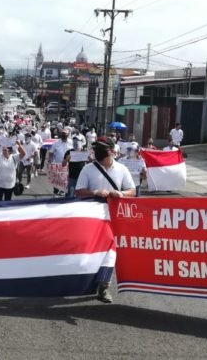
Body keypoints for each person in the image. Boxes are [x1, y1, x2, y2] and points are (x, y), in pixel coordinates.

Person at [75, 137, 136, 303]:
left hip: (114, 217)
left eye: (102, 152)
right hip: (92, 217)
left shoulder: (122, 169)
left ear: (111, 152)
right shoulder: (88, 169)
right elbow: (79, 191)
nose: (98, 155)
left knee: (110, 252)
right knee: (91, 250)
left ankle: (104, 285)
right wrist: (95, 192)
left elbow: (132, 190)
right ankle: (86, 280)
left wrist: (121, 194)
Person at [48, 129, 72, 196]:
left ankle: (62, 191)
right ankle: (55, 192)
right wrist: (50, 160)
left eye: (65, 133)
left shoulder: (71, 142)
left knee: (65, 179)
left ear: (68, 134)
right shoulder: (56, 143)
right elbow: (51, 152)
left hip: (68, 164)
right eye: (62, 133)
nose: (63, 134)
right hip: (58, 164)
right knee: (57, 179)